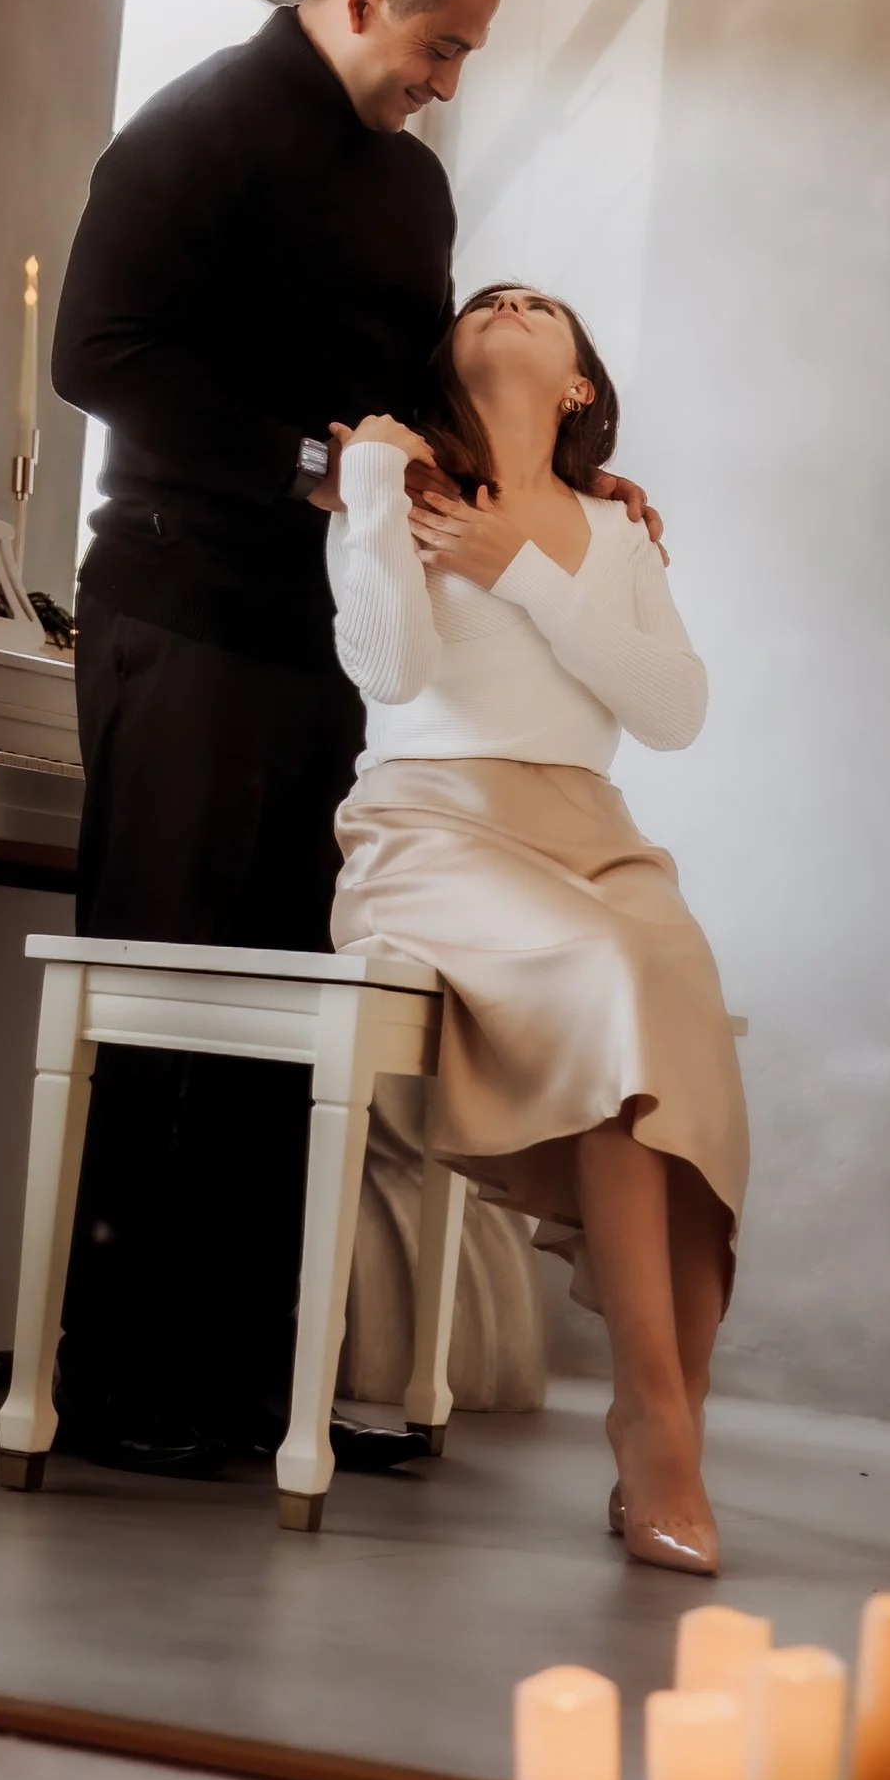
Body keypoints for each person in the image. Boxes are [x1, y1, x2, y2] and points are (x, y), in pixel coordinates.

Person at [45, 0, 513, 1473]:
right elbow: (96, 353)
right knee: (167, 996)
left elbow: (422, 401)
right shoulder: (197, 128)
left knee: (288, 1011)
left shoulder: (414, 192)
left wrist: (574, 482)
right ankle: (115, 1386)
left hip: (323, 644)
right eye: (441, 46)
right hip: (179, 614)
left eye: (467, 56)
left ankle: (253, 1387)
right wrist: (310, 465)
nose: (448, 80)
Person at [325, 285, 747, 1572]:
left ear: (578, 385)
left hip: (595, 833)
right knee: (619, 972)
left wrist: (522, 568)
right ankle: (657, 1429)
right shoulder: (398, 491)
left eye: (540, 306)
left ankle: (662, 1412)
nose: (508, 304)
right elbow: (388, 672)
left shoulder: (617, 530)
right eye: (487, 302)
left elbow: (672, 712)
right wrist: (369, 494)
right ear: (448, 357)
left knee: (670, 986)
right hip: (430, 828)